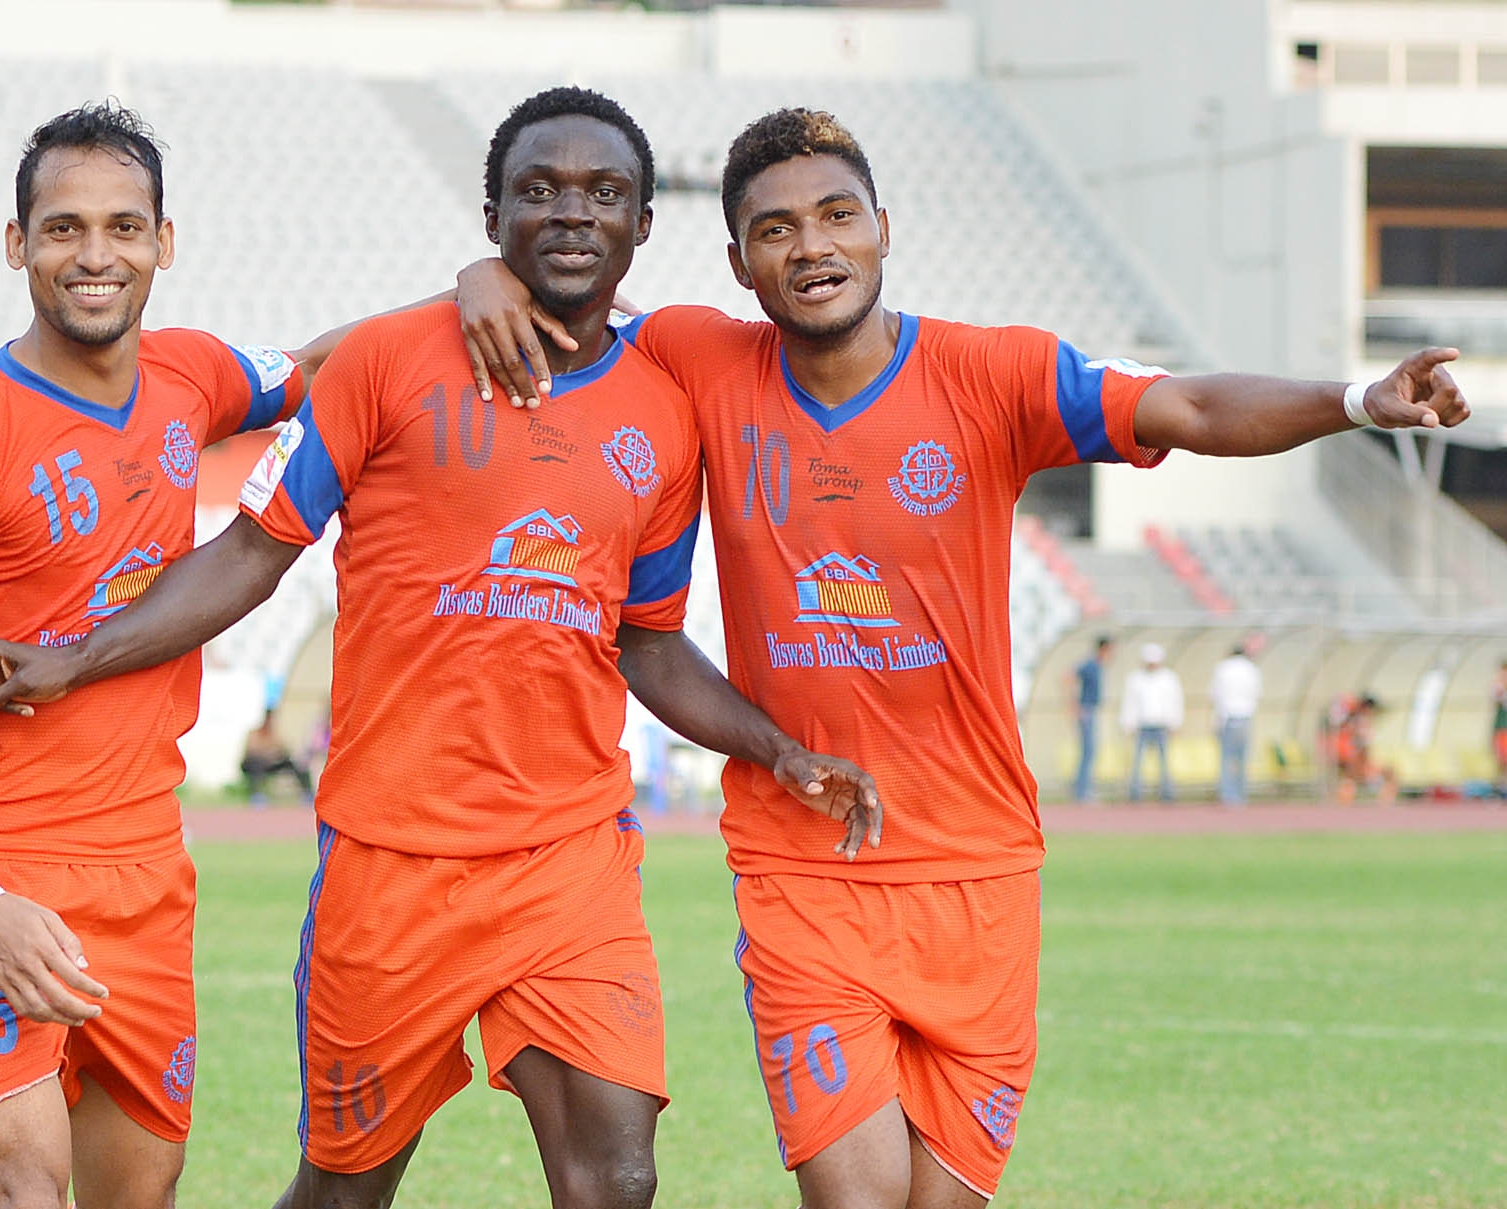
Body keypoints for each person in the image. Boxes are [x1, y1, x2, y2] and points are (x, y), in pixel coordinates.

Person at [452, 106, 1467, 1206]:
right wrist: (479, 275)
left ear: (885, 229)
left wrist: (1360, 399)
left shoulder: (995, 375)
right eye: (777, 229)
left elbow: (1191, 403)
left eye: (838, 216)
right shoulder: (701, 357)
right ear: (739, 263)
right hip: (805, 867)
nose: (814, 247)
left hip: (979, 872)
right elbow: (573, 293)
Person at [0, 87, 880, 1209]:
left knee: (615, 1177)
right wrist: (77, 657)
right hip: (389, 869)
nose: (572, 216)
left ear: (644, 228)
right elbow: (248, 553)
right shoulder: (383, 363)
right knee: (343, 1192)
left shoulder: (666, 408)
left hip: (568, 862)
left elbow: (651, 646)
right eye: (540, 193)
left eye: (604, 195)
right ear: (490, 219)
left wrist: (774, 747)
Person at [0, 103, 311, 1209]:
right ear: (17, 243)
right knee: (22, 1186)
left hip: (145, 868)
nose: (95, 256)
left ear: (164, 242)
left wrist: (484, 287)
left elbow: (335, 365)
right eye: (62, 229)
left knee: (139, 1194)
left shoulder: (196, 376)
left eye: (123, 228)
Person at [1121, 643, 1184, 802]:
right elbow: (1130, 702)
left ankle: (1167, 793)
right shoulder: (1136, 678)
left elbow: (1175, 701)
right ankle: (1135, 793)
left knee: (1165, 762)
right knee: (1137, 762)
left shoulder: (1169, 678)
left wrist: (1175, 722)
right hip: (1142, 725)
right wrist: (1128, 723)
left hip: (1162, 725)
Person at [1209, 641, 1262, 806]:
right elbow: (1257, 693)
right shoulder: (1252, 669)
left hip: (1227, 717)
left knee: (1226, 759)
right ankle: (1241, 795)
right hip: (1245, 716)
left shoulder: (1223, 668)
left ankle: (1227, 795)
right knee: (1243, 759)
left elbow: (1215, 694)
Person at [240, 708, 313, 804]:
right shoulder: (254, 733)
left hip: (271, 764)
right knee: (256, 765)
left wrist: (277, 753)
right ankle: (257, 795)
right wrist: (268, 753)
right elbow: (251, 752)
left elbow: (283, 749)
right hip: (254, 764)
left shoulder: (274, 734)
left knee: (295, 764)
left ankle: (307, 793)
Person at [1073, 634, 1112, 802]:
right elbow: (1068, 677)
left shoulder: (1097, 665)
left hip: (1091, 710)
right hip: (1087, 710)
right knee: (1088, 752)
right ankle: (1082, 791)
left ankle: (1083, 789)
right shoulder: (1090, 664)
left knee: (1090, 752)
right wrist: (1075, 705)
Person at [1491, 661, 1507, 795]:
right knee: (1502, 760)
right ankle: (1501, 789)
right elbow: (1495, 700)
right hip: (1502, 729)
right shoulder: (1498, 687)